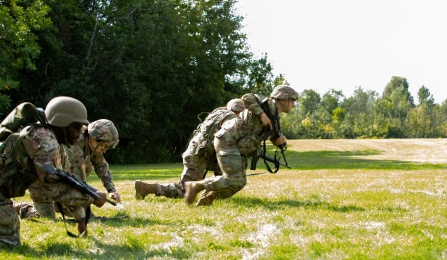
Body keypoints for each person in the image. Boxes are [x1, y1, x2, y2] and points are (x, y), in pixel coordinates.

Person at [0, 96, 107, 247]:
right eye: (76, 127)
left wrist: (80, 219)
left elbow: (66, 179)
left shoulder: (56, 145)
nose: (80, 133)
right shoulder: (42, 139)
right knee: (8, 242)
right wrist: (92, 198)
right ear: (62, 123)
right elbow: (54, 187)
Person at [184, 85, 298, 206]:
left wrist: (279, 141)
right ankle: (195, 186)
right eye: (292, 101)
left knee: (239, 183)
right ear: (282, 99)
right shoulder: (266, 103)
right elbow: (246, 97)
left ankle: (208, 196)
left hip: (237, 146)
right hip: (228, 139)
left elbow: (273, 137)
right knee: (233, 178)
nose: (294, 105)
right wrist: (261, 114)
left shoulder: (275, 119)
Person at [135, 98, 245, 200]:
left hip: (200, 152)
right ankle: (146, 188)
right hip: (200, 155)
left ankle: (209, 195)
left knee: (225, 175)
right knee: (184, 190)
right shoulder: (231, 118)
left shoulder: (218, 113)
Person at [15, 119, 121, 221]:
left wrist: (111, 189)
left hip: (57, 179)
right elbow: (76, 181)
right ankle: (18, 208)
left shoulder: (92, 144)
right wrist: (93, 198)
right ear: (93, 139)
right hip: (39, 175)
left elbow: (101, 165)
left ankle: (56, 202)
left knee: (78, 211)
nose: (104, 151)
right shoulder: (74, 146)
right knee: (46, 218)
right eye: (104, 147)